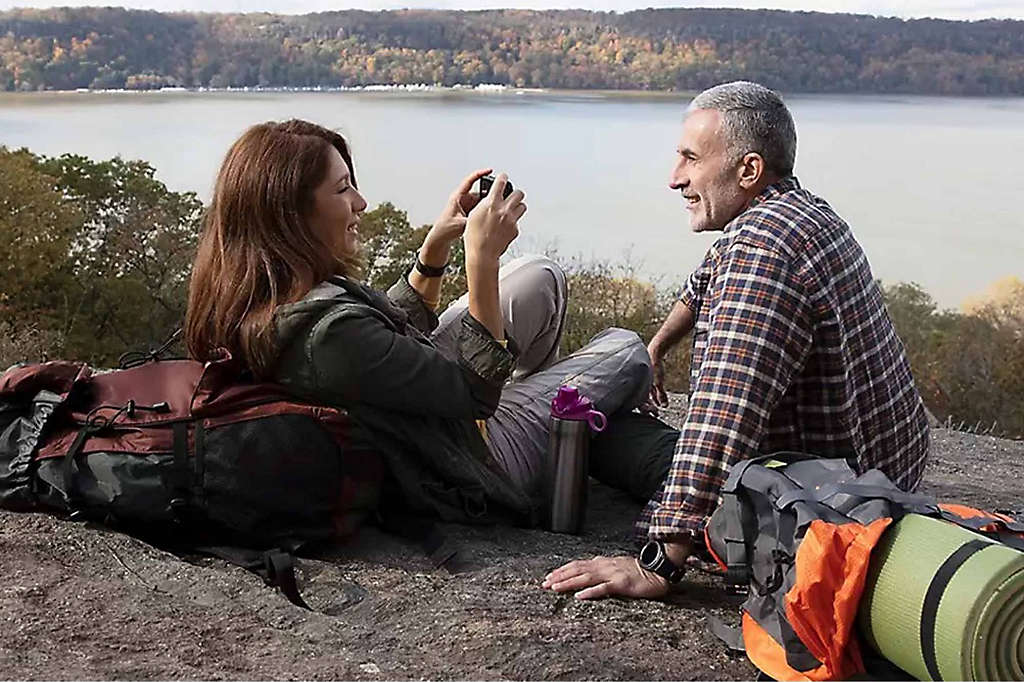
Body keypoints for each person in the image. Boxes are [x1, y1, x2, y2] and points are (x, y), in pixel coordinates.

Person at [543, 81, 930, 600]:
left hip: (820, 508)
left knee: (610, 435)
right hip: (885, 471)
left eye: (690, 159)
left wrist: (658, 561)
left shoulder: (760, 255)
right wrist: (658, 347)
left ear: (747, 170)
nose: (674, 178)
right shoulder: (802, 214)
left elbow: (722, 421)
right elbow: (704, 281)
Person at [184, 119, 652, 531]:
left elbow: (381, 346)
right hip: (464, 457)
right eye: (343, 188)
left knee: (538, 277)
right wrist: (482, 257)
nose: (361, 201)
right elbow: (475, 394)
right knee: (627, 350)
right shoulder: (327, 338)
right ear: (292, 214)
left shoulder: (261, 294)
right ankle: (552, 439)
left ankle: (549, 413)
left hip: (424, 416)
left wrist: (434, 250)